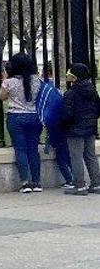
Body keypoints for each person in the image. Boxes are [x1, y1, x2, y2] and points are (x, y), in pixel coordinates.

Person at [0, 51, 43, 192]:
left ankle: (25, 182)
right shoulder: (37, 80)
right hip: (34, 117)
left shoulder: (9, 82)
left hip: (16, 117)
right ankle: (36, 182)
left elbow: (2, 97)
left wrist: (6, 77)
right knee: (33, 150)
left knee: (20, 149)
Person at [61, 63, 100, 195]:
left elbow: (66, 114)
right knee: (90, 156)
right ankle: (96, 184)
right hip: (90, 128)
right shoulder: (92, 90)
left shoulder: (71, 93)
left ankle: (80, 185)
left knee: (76, 156)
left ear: (75, 77)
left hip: (74, 129)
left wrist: (62, 124)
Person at [38, 63, 73, 187]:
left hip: (56, 124)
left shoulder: (46, 88)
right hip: (65, 123)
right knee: (66, 151)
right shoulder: (57, 88)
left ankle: (70, 179)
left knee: (61, 153)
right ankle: (74, 177)